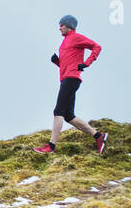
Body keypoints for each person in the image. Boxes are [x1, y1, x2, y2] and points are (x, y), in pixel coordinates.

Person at [33, 15, 107, 154]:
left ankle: (51, 146)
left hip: (71, 79)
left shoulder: (77, 37)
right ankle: (99, 136)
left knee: (58, 112)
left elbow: (97, 47)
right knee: (68, 116)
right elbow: (68, 64)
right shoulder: (65, 42)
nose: (59, 27)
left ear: (69, 26)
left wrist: (86, 63)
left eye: (61, 25)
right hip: (66, 78)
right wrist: (57, 62)